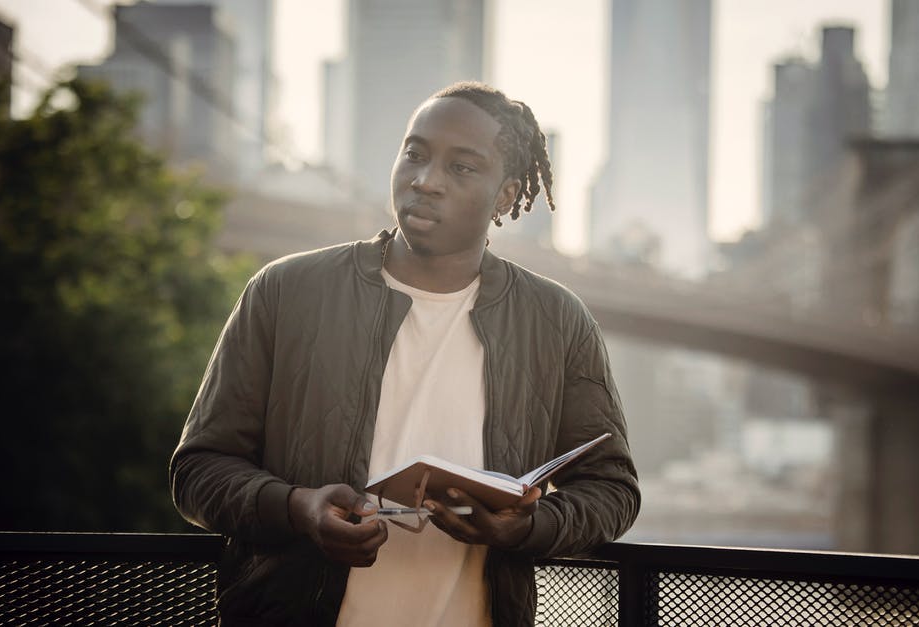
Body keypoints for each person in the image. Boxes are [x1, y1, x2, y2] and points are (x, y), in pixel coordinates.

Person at [170, 81, 640, 626]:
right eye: (415, 154)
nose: (426, 181)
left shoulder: (557, 321)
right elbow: (197, 471)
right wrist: (299, 509)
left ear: (507, 195)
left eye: (462, 168)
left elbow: (612, 489)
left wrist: (527, 529)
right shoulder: (285, 291)